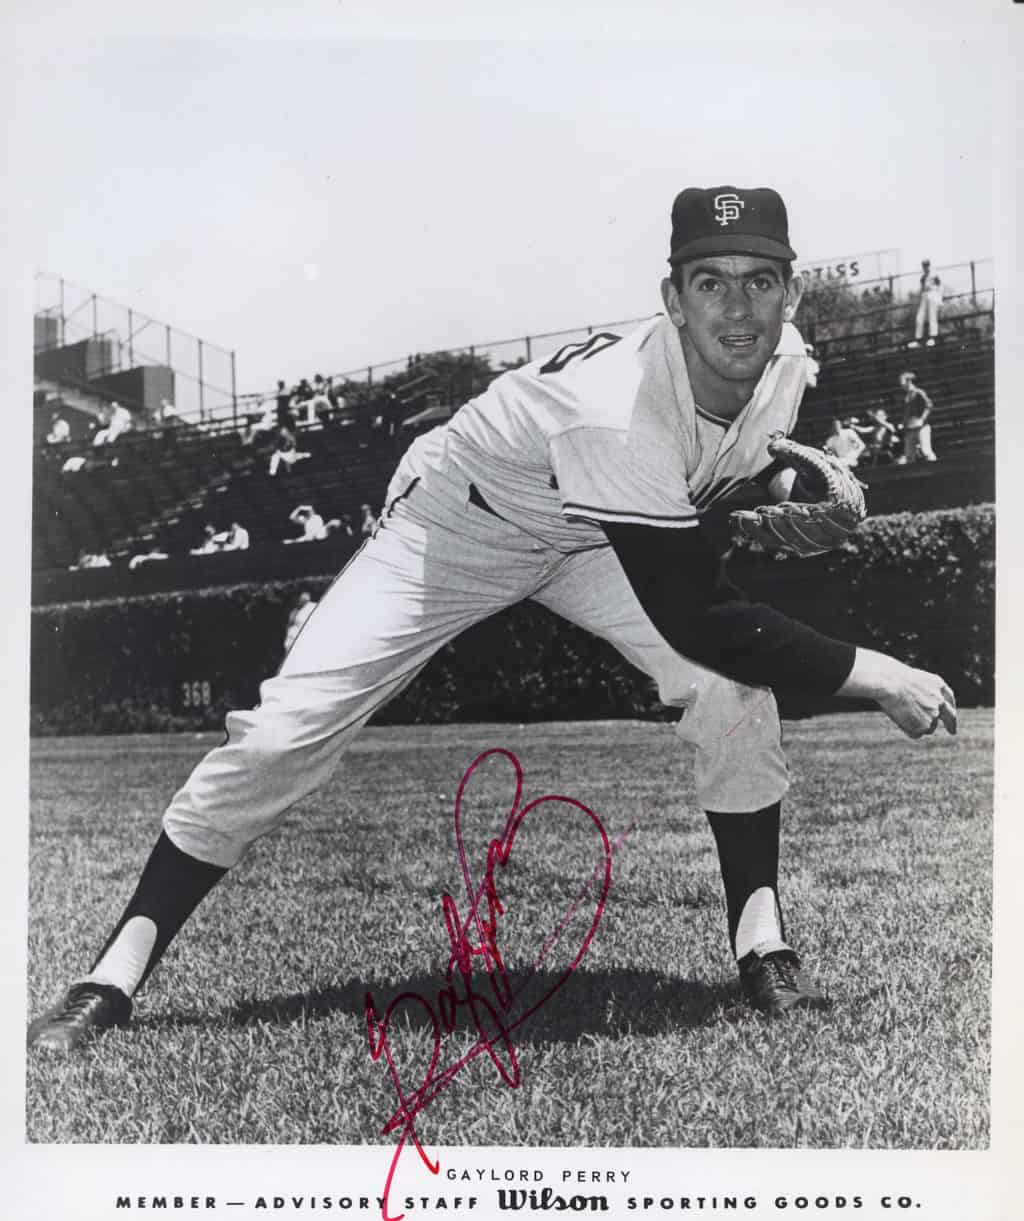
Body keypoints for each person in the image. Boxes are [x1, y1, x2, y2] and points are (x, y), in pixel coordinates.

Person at [28, 184, 956, 1054]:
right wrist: (881, 674)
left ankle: (763, 947)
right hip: (455, 525)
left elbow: (743, 454)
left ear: (791, 293)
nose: (739, 309)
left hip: (589, 534)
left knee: (731, 693)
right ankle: (110, 977)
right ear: (670, 299)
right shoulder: (615, 409)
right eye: (710, 283)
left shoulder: (788, 361)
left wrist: (776, 476)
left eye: (760, 282)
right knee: (283, 737)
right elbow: (697, 612)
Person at [897, 371, 937, 463]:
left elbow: (929, 405)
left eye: (901, 382)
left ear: (908, 381)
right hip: (910, 427)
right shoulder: (906, 396)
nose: (900, 384)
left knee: (926, 451)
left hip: (921, 427)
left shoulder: (918, 392)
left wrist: (922, 419)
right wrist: (903, 423)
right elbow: (907, 413)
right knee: (909, 455)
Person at [909, 262, 943, 348]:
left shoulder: (934, 275)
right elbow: (921, 289)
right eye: (924, 266)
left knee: (932, 317)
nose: (925, 267)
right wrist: (916, 294)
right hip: (924, 296)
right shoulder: (923, 277)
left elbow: (940, 287)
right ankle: (918, 340)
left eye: (927, 265)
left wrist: (939, 300)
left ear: (929, 266)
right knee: (919, 318)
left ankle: (933, 338)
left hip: (933, 295)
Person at [283, 591, 317, 656]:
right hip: (292, 641)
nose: (298, 601)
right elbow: (289, 625)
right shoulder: (294, 611)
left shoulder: (312, 607)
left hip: (304, 640)